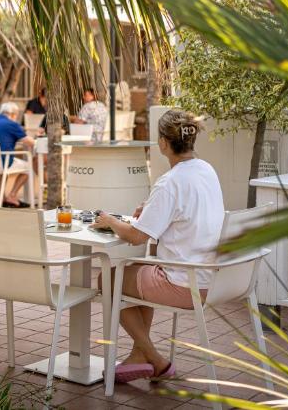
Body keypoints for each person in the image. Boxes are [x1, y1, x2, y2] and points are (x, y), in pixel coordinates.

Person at [92, 109, 225, 383]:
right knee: (139, 271)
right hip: (211, 278)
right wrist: (152, 209)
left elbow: (137, 237)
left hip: (182, 281)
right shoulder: (206, 170)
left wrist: (109, 221)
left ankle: (154, 358)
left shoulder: (170, 182)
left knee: (109, 279)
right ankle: (139, 354)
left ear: (163, 143)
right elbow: (184, 213)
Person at [0, 102, 35, 208]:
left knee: (2, 169)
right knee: (29, 168)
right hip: (3, 161)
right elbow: (30, 142)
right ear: (13, 114)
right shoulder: (12, 124)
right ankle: (12, 195)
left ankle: (3, 197)